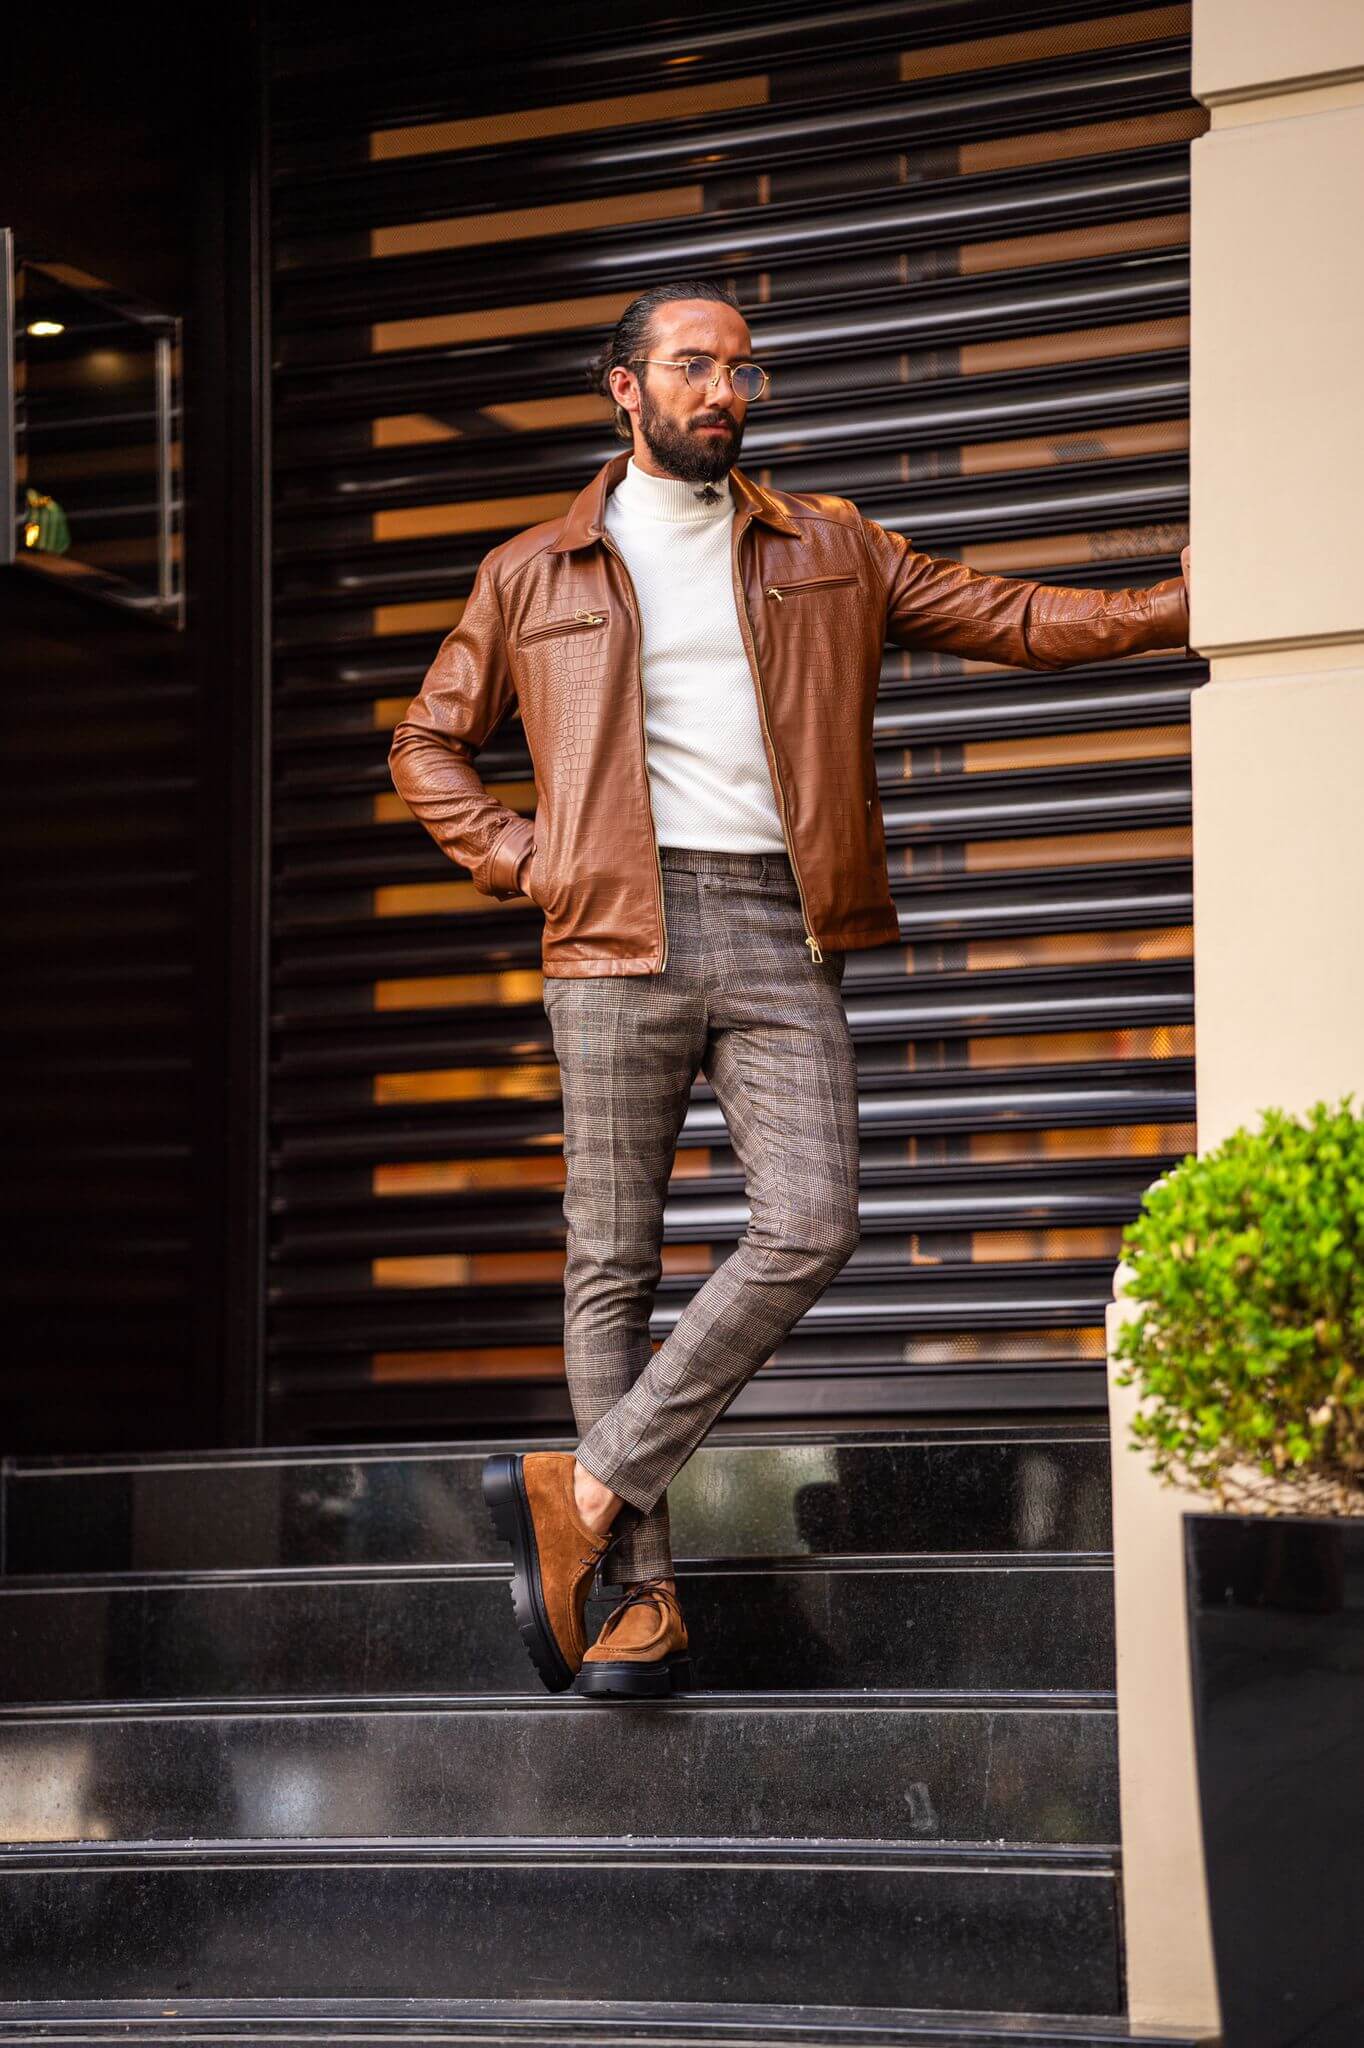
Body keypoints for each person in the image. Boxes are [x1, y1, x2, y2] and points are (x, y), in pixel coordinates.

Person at [388, 277, 1193, 1705]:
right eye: (694, 367)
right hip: (610, 927)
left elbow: (1005, 614)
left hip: (777, 920)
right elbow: (426, 745)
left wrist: (1173, 606)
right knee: (611, 1264)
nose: (725, 391)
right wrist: (534, 860)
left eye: (741, 371)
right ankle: (638, 1606)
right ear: (623, 388)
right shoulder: (533, 569)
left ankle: (588, 1489)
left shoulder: (827, 545)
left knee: (814, 1220)